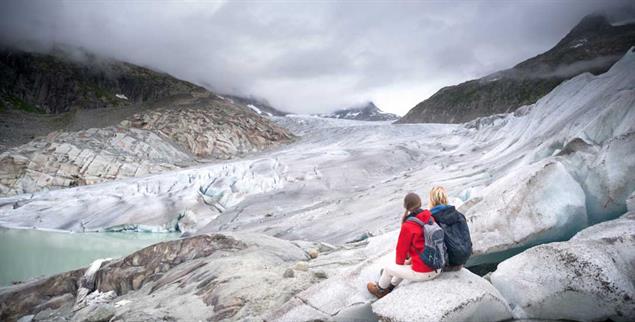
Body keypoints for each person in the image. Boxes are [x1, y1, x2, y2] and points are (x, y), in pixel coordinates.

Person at [366, 192, 441, 299]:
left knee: (388, 269)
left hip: (424, 272)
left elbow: (400, 254)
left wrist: (398, 266)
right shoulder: (429, 217)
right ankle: (391, 286)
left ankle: (380, 290)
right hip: (437, 267)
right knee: (406, 264)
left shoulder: (408, 225)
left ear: (406, 207)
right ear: (420, 203)